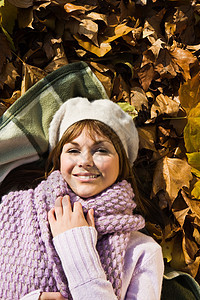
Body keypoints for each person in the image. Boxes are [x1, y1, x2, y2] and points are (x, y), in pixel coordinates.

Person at [0, 97, 164, 300]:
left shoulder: (142, 252)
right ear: (58, 159)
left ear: (122, 164)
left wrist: (76, 245)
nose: (85, 161)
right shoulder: (12, 213)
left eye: (101, 150)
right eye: (73, 150)